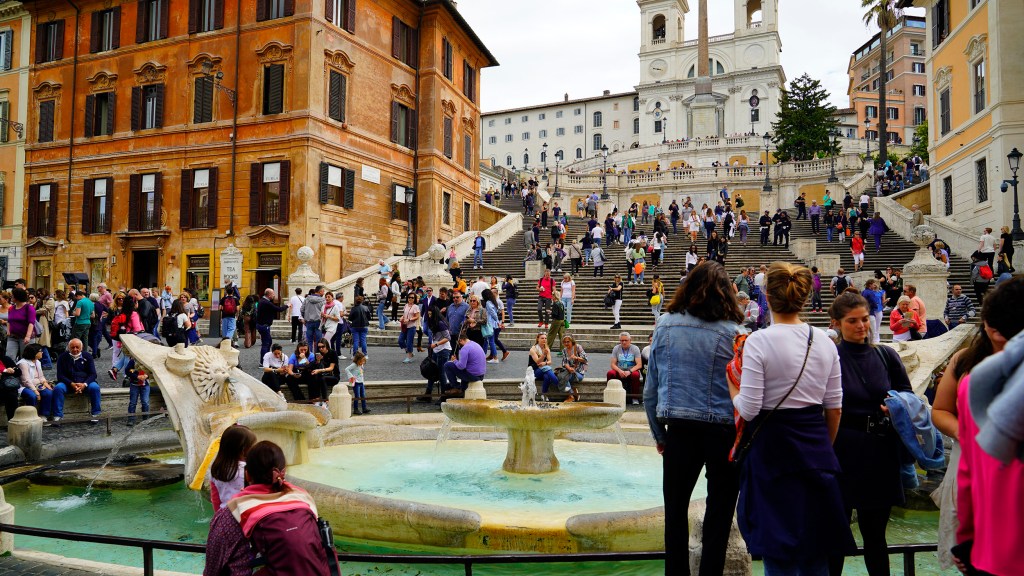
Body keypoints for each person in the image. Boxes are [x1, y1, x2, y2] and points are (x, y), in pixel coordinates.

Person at [730, 263, 851, 576]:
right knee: (816, 552)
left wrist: (733, 390)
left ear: (767, 296)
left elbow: (750, 409)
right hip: (816, 449)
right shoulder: (825, 341)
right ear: (805, 297)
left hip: (772, 453)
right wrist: (823, 448)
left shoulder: (758, 341)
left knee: (778, 553)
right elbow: (834, 407)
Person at [644, 262, 744, 576]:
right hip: (723, 432)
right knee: (720, 514)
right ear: (727, 293)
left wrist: (660, 435)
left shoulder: (665, 324)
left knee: (675, 513)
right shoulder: (735, 333)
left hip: (680, 430)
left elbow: (650, 389)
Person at [930, 278, 1024, 571]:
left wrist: (969, 538)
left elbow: (969, 480)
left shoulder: (976, 384)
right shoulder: (966, 363)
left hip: (995, 542)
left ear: (989, 325)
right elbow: (940, 410)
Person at [828, 291, 913, 576]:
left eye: (864, 319)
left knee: (876, 536)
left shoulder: (886, 355)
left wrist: (896, 406)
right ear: (837, 323)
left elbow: (907, 394)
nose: (861, 326)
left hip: (879, 452)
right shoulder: (829, 357)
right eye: (852, 321)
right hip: (840, 452)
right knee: (835, 537)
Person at [210, 441, 332, 576]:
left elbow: (213, 564)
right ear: (283, 472)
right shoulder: (304, 498)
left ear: (247, 474)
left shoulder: (232, 512)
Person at [209, 424, 257, 510]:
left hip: (225, 513)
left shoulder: (216, 469)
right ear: (243, 449)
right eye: (253, 446)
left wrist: (218, 515)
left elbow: (215, 499)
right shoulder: (248, 469)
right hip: (245, 513)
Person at [54, 338, 102, 424]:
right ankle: (58, 415)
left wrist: (84, 384)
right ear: (69, 348)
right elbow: (60, 375)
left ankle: (96, 413)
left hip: (85, 383)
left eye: (77, 347)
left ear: (81, 348)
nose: (75, 349)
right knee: (58, 388)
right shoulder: (62, 357)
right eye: (72, 347)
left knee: (95, 387)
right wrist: (71, 383)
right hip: (68, 383)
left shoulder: (87, 356)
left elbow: (93, 374)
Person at [442, 330, 486, 397]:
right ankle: (462, 389)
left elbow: (461, 366)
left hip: (473, 376)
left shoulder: (465, 348)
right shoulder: (475, 344)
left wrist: (454, 360)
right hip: (481, 375)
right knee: (466, 368)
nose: (458, 345)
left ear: (460, 340)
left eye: (458, 343)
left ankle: (456, 387)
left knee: (447, 365)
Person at [17, 343, 52, 417]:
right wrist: (36, 391)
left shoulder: (37, 362)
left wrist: (45, 382)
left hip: (37, 385)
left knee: (48, 393)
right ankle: (31, 416)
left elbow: (41, 376)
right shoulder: (23, 363)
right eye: (40, 351)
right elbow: (26, 381)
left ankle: (44, 415)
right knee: (32, 396)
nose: (42, 352)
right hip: (25, 387)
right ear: (35, 353)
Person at [608, 332, 643, 405]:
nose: (624, 342)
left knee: (636, 375)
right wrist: (619, 371)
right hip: (620, 370)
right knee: (610, 373)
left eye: (626, 340)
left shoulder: (635, 348)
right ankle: (611, 395)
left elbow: (639, 365)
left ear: (630, 340)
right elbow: (613, 364)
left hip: (631, 371)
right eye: (622, 340)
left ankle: (635, 397)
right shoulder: (616, 348)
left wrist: (629, 371)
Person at [529, 333, 562, 400]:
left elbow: (550, 362)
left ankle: (543, 395)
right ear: (538, 339)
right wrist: (543, 355)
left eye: (545, 338)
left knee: (547, 376)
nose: (544, 340)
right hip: (533, 371)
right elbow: (537, 362)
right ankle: (558, 384)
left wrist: (545, 363)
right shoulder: (533, 349)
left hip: (543, 369)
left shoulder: (546, 348)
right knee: (548, 369)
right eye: (542, 338)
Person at [255, 289, 287, 358]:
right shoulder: (266, 303)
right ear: (269, 295)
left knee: (268, 342)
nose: (274, 295)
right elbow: (279, 309)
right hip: (264, 326)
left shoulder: (262, 301)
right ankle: (263, 360)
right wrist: (287, 305)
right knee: (266, 343)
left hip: (262, 325)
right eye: (273, 294)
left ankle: (266, 358)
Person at [557, 335, 587, 400]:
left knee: (564, 377)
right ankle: (572, 392)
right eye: (564, 342)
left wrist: (576, 358)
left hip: (579, 373)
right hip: (569, 372)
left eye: (568, 342)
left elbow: (585, 360)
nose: (566, 343)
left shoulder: (578, 347)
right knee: (560, 376)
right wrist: (569, 368)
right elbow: (565, 362)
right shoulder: (564, 350)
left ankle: (570, 396)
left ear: (572, 341)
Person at [398, 293, 420, 363]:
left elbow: (417, 316)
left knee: (409, 342)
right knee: (400, 340)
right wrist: (402, 318)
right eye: (409, 297)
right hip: (405, 326)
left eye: (412, 297)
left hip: (412, 326)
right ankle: (409, 351)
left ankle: (409, 356)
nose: (410, 299)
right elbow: (404, 314)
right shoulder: (406, 305)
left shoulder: (415, 307)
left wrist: (409, 319)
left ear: (414, 299)